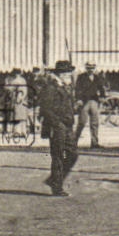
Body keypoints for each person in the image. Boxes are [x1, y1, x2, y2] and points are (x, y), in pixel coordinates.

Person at [36, 60, 81, 196]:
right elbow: (46, 108)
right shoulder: (51, 87)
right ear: (60, 74)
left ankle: (54, 180)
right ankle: (57, 186)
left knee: (73, 154)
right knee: (58, 156)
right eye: (67, 72)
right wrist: (57, 123)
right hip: (57, 126)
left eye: (69, 72)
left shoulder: (65, 86)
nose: (69, 75)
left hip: (67, 125)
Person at [74, 62, 107, 149]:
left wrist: (103, 96)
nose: (91, 70)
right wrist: (78, 99)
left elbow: (101, 87)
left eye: (92, 68)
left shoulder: (97, 77)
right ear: (86, 68)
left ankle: (94, 142)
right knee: (82, 122)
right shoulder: (81, 77)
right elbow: (77, 89)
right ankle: (74, 142)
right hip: (84, 101)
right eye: (89, 68)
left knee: (95, 123)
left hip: (94, 101)